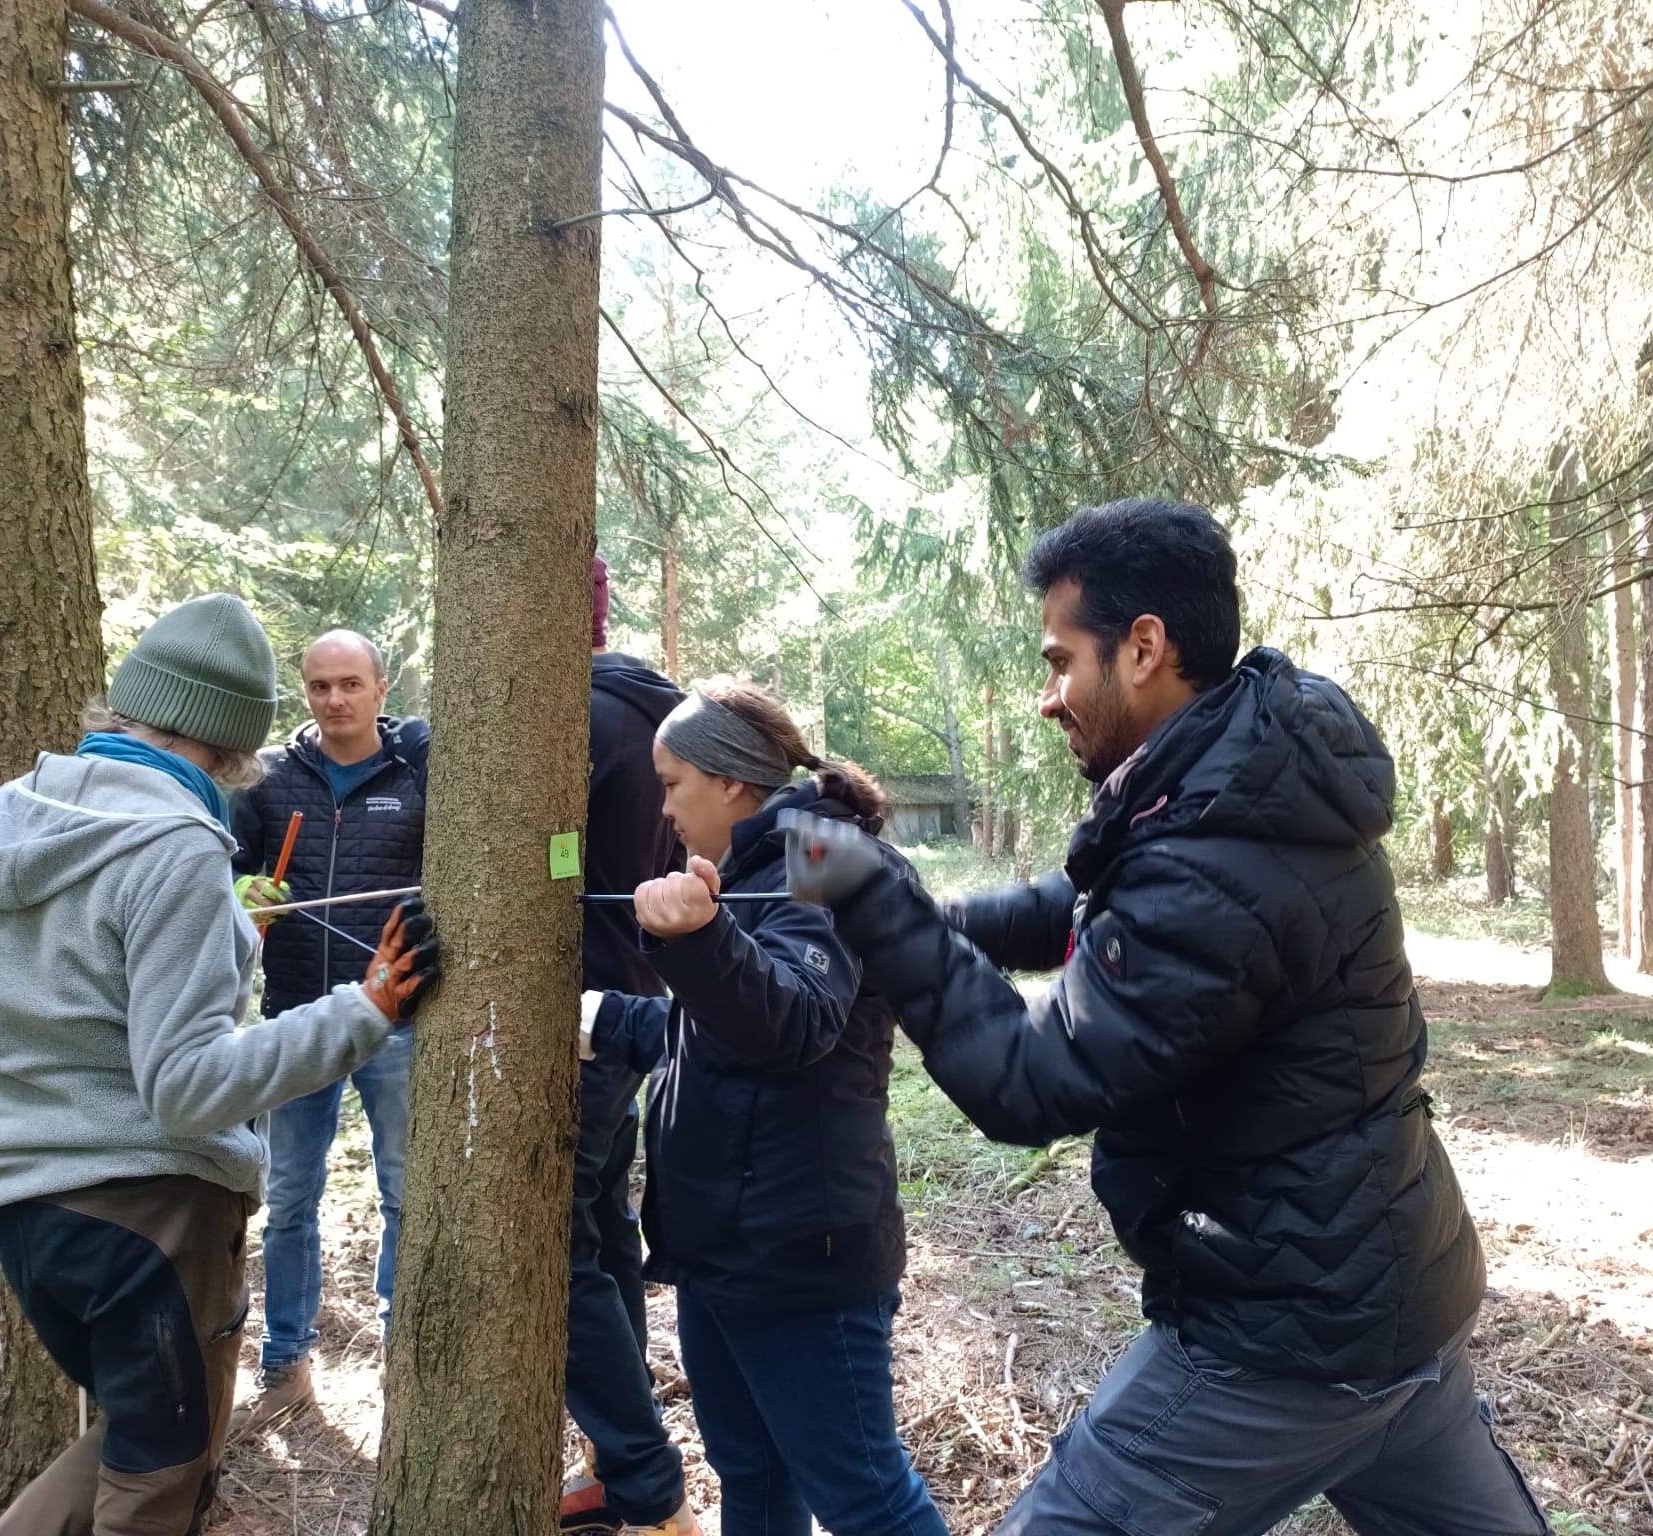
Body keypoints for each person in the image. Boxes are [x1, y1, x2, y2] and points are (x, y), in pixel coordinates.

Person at [777, 500, 1552, 1536]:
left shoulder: (1214, 850)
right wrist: (926, 914)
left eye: (1060, 661)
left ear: (1143, 647)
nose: (1047, 697)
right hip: (1397, 1305)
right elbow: (1094, 914)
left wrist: (868, 898)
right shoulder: (1245, 780)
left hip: (1281, 1346)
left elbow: (1028, 1081)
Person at [0, 593, 439, 1536]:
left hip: (25, 1223)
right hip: (150, 1228)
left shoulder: (11, 814)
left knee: (136, 1443)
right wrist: (363, 1011)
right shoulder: (181, 848)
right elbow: (188, 1085)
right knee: (159, 1486)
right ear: (238, 745)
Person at [581, 682, 947, 1536]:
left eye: (672, 784)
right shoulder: (752, 868)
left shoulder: (827, 861)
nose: (662, 806)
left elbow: (796, 1020)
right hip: (726, 1248)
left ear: (733, 784)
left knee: (864, 1497)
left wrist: (694, 939)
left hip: (799, 1255)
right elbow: (712, 1033)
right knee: (751, 1473)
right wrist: (601, 1019)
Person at [229, 629, 427, 1430]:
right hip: (298, 1019)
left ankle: (402, 1360)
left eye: (351, 684)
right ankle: (285, 1364)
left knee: (406, 1196)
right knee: (287, 1199)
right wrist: (246, 896)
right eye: (319, 686)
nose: (335, 700)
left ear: (381, 689)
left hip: (397, 1017)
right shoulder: (269, 780)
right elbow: (228, 878)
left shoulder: (419, 774)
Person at [560, 556, 695, 1534]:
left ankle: (640, 1475)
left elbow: (546, 854)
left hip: (580, 1014)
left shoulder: (586, 722)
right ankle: (621, 1456)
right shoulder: (653, 712)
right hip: (631, 992)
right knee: (601, 1223)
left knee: (559, 1239)